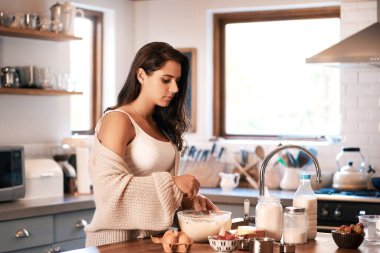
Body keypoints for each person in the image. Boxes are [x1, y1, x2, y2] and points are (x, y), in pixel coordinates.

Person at [85, 42, 219, 247]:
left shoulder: (161, 125)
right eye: (165, 80)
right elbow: (108, 191)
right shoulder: (118, 120)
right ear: (141, 76)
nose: (174, 89)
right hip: (116, 243)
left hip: (153, 241)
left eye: (177, 81)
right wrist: (174, 184)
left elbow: (156, 188)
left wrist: (185, 198)